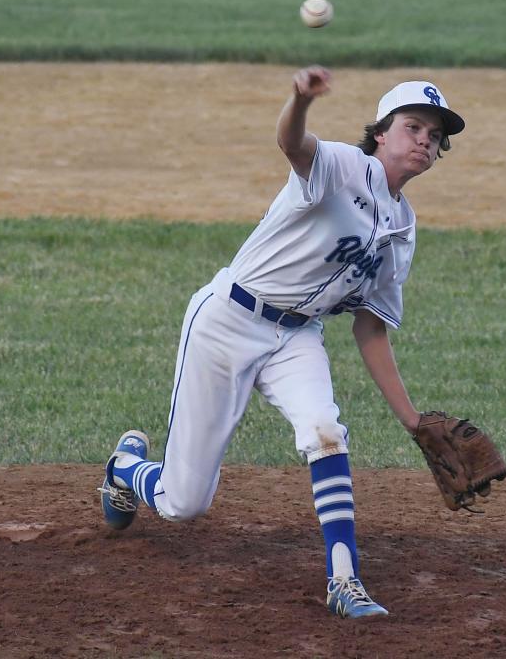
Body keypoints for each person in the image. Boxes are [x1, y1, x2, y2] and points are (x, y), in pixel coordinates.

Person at [99, 66, 465, 618]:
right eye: (414, 126)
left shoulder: (402, 227)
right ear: (382, 133)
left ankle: (344, 580)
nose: (425, 141)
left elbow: (370, 326)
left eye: (436, 137)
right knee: (184, 503)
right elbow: (291, 143)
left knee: (326, 433)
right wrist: (299, 100)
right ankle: (124, 469)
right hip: (227, 321)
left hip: (297, 337)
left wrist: (412, 419)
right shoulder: (344, 166)